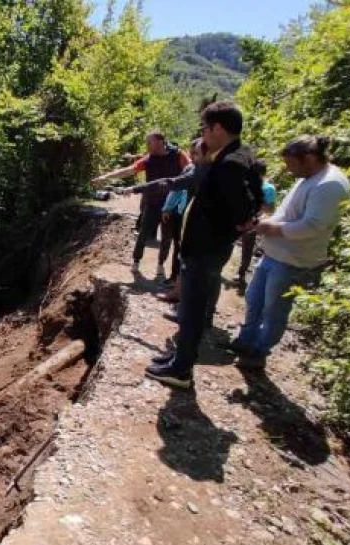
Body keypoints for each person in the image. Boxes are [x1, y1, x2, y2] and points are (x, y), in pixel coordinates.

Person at [145, 102, 260, 390]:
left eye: (205, 128)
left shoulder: (232, 163)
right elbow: (251, 197)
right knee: (189, 307)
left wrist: (237, 225)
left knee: (193, 310)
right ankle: (179, 357)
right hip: (205, 246)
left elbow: (245, 207)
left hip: (206, 248)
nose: (203, 134)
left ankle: (181, 371)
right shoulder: (237, 156)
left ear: (218, 128)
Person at [230, 135, 350, 369]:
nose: (288, 169)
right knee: (254, 298)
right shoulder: (309, 177)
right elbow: (287, 213)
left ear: (308, 158)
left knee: (274, 309)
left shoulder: (329, 185)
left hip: (294, 260)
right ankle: (247, 339)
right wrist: (260, 223)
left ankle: (259, 351)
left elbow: (312, 226)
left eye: (291, 163)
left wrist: (270, 229)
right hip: (276, 254)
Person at [123, 138, 210, 297]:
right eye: (192, 153)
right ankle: (176, 287)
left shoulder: (192, 166)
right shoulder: (193, 169)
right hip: (170, 209)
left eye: (195, 154)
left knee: (175, 245)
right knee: (175, 247)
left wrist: (136, 189)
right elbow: (173, 186)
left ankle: (183, 294)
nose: (192, 157)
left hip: (196, 222)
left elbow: (170, 184)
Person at [94, 132, 190, 273]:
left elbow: (191, 171)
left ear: (160, 141)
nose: (147, 145)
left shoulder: (179, 156)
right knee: (143, 233)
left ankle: (160, 265)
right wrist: (105, 177)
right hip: (152, 203)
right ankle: (136, 261)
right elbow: (129, 170)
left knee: (166, 237)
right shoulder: (148, 159)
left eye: (149, 142)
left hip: (171, 204)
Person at [236, 160, 277, 292]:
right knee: (243, 246)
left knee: (247, 246)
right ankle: (240, 273)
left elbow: (270, 208)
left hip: (254, 220)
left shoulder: (268, 188)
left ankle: (241, 273)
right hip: (243, 218)